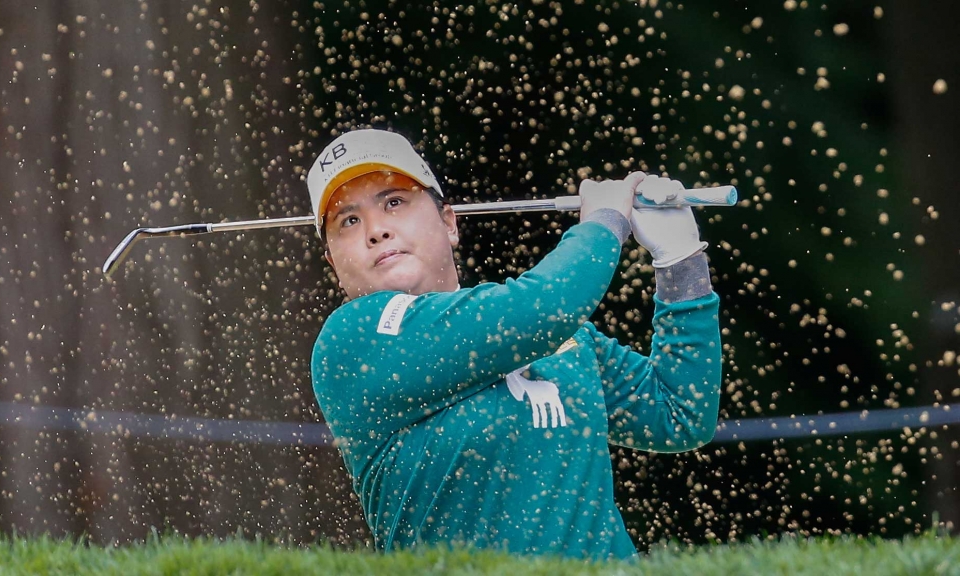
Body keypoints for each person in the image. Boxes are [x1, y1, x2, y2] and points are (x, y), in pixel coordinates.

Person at [307, 128, 721, 562]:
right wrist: (604, 223)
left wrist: (680, 261)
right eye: (348, 221)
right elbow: (544, 306)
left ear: (449, 222)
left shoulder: (554, 336)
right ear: (334, 263)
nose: (375, 230)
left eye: (394, 202)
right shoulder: (350, 342)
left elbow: (680, 415)